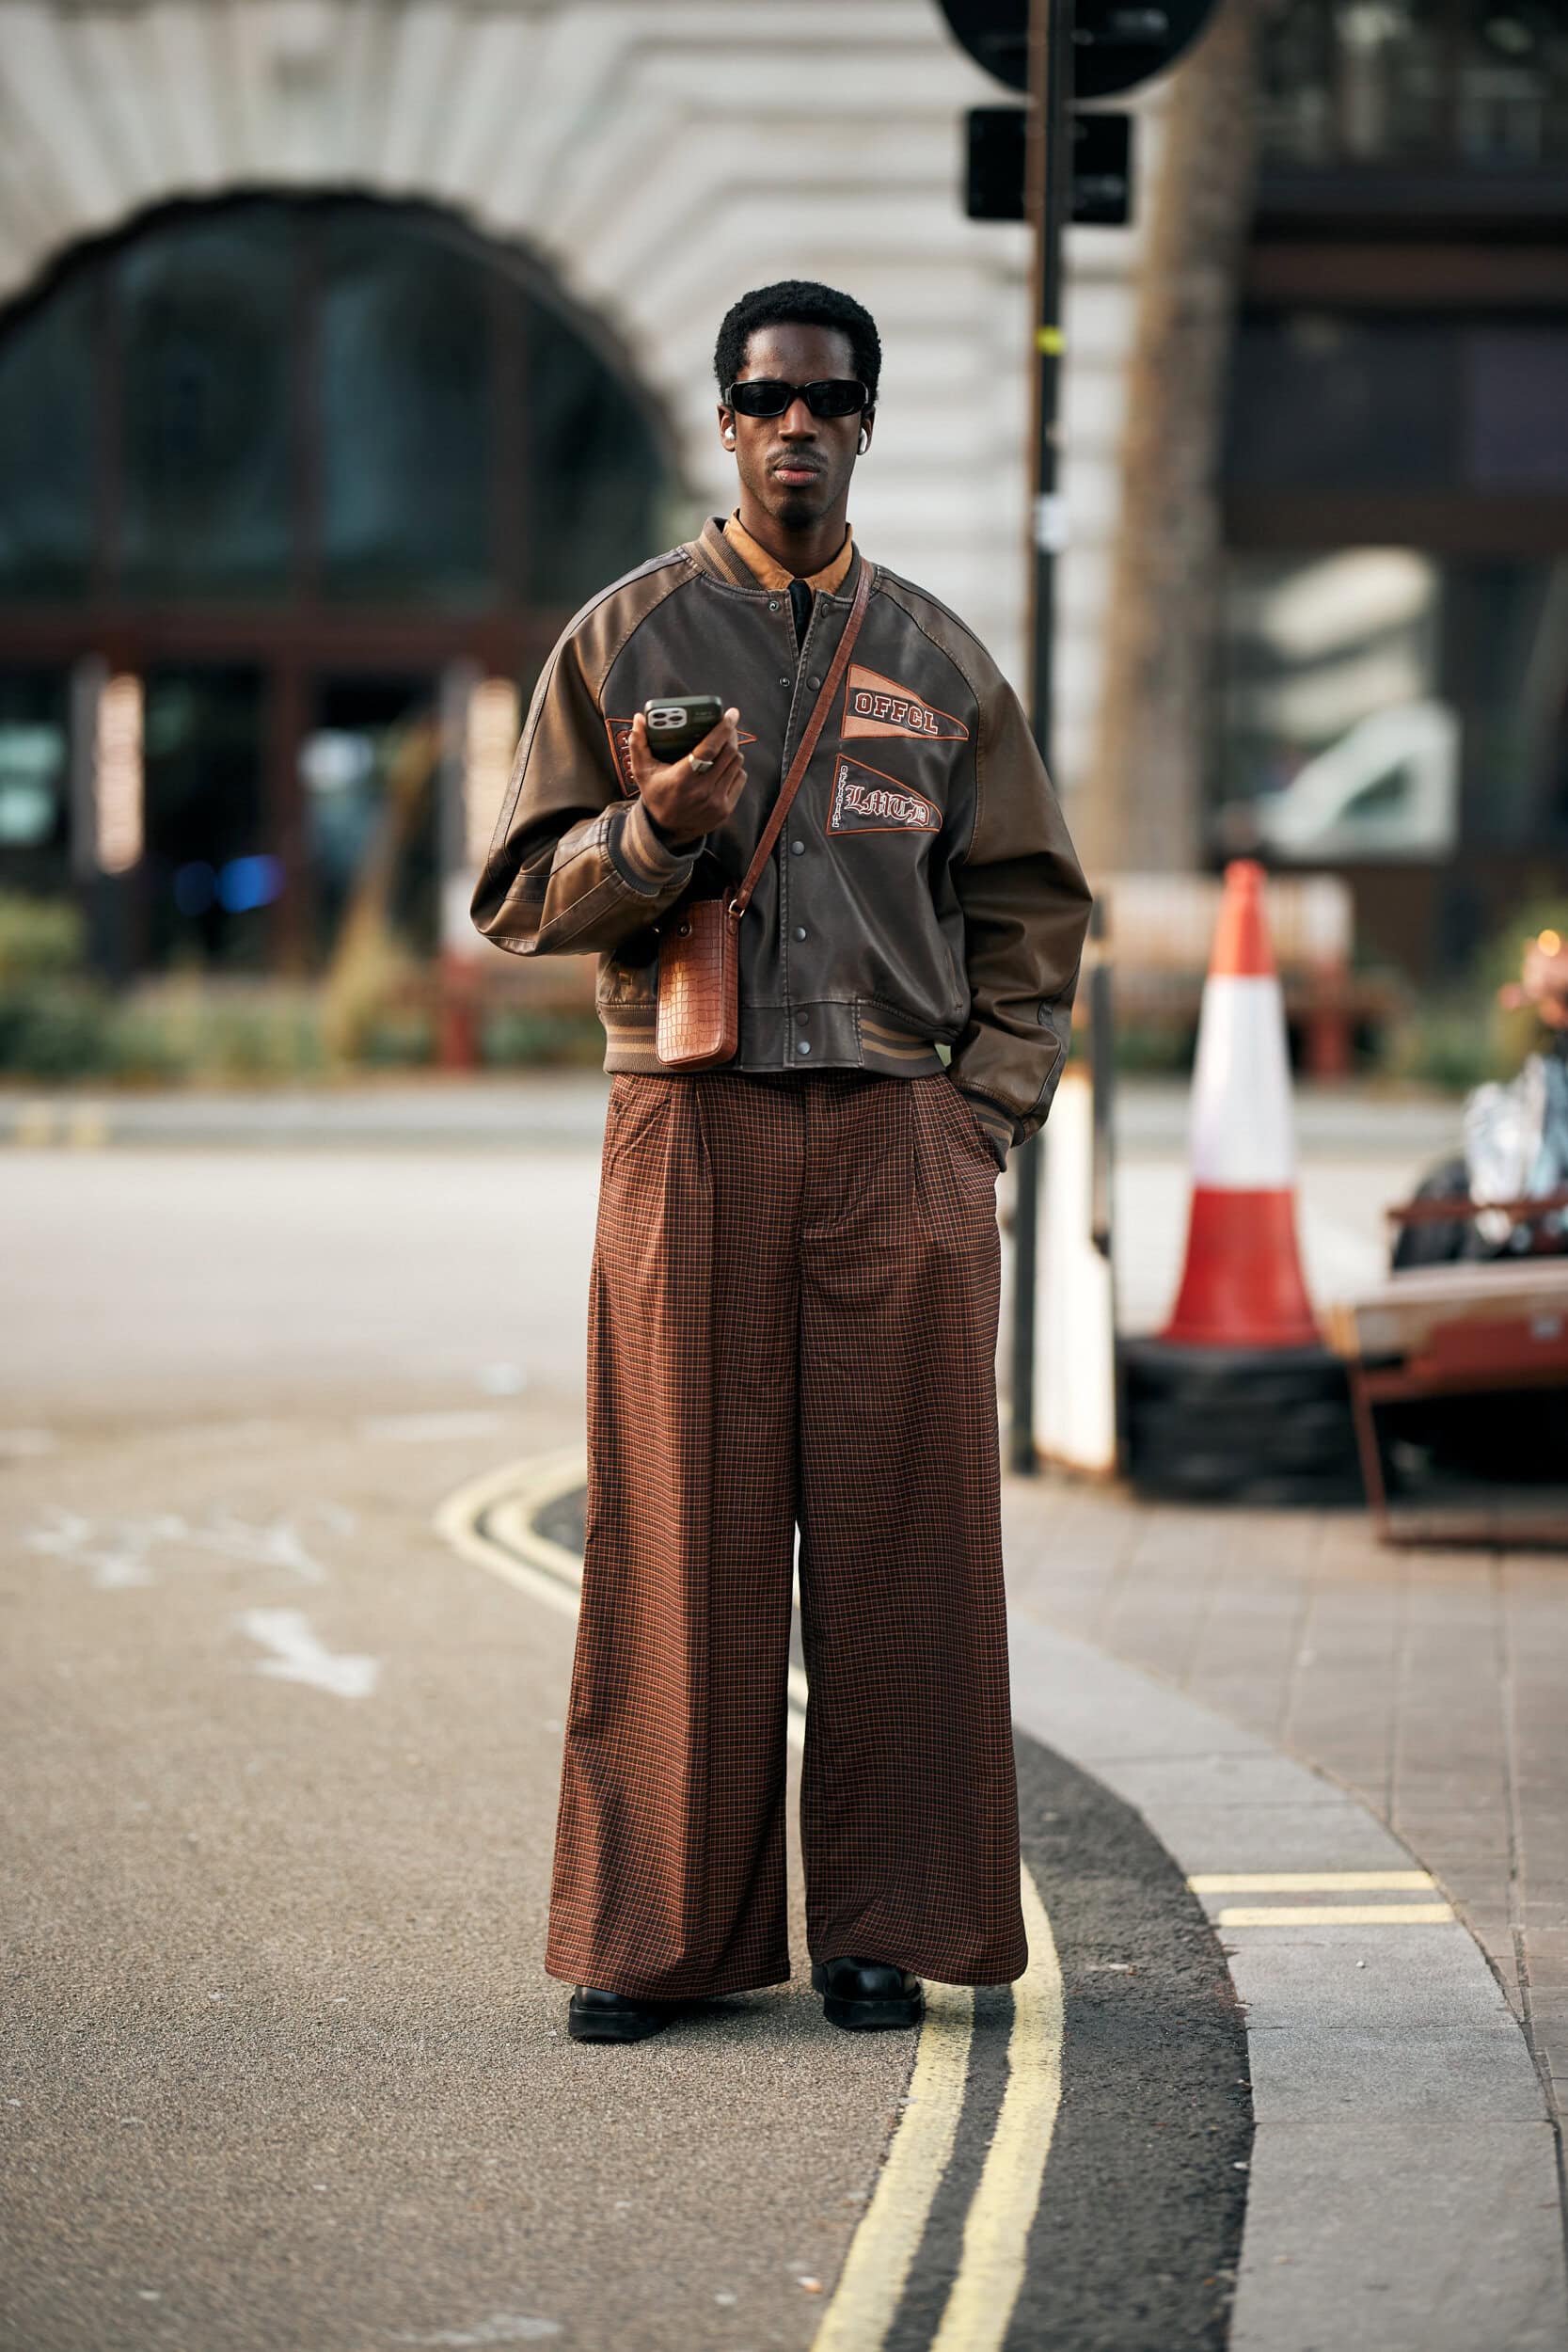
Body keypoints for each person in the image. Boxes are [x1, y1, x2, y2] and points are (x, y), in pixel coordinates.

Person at [471, 279, 1092, 2042]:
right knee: (681, 1536)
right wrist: (649, 831)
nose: (795, 428)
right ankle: (657, 1938)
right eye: (765, 400)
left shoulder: (942, 660)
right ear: (727, 425)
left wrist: (980, 1117)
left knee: (901, 1546)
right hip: (691, 1128)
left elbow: (1030, 914)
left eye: (827, 401)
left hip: (901, 1135)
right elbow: (523, 896)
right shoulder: (626, 642)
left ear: (866, 423)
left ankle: (885, 1928)